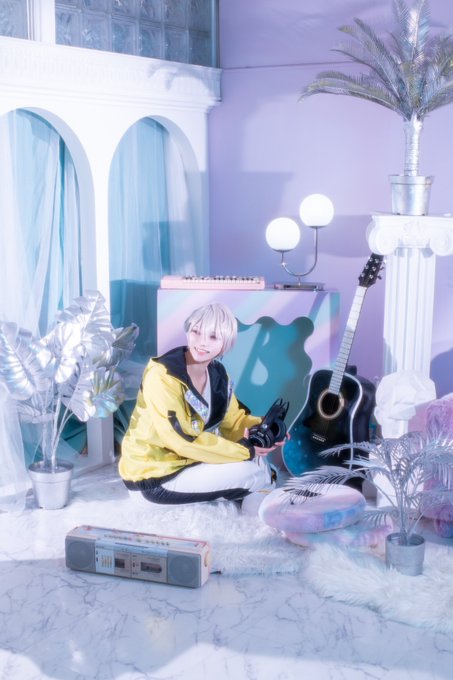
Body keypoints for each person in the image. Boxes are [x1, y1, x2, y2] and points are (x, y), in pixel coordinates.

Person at [119, 302, 282, 505]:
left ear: (225, 343)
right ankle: (260, 511)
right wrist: (244, 451)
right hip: (153, 478)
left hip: (188, 463)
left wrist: (266, 428)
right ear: (188, 331)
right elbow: (181, 440)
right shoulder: (163, 376)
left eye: (213, 337)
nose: (202, 342)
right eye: (196, 332)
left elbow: (234, 422)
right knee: (252, 472)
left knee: (259, 463)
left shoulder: (218, 374)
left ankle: (262, 510)